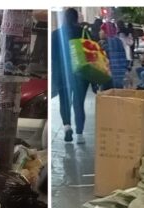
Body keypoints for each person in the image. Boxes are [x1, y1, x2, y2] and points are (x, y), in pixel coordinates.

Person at [51, 8, 88, 144]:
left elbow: (52, 58)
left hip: (62, 74)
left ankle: (67, 128)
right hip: (81, 74)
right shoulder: (83, 32)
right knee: (79, 104)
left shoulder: (56, 35)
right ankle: (80, 135)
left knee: (65, 102)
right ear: (76, 18)